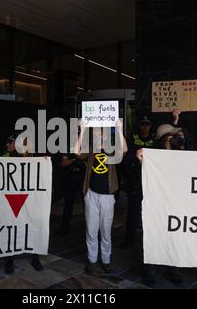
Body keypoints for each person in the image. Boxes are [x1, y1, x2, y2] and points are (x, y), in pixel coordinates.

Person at [136, 122, 186, 287]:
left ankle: (173, 270)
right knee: (153, 237)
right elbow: (144, 165)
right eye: (173, 137)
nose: (178, 140)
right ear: (164, 139)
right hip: (156, 205)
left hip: (176, 205)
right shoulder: (153, 156)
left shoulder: (185, 156)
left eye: (179, 137)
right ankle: (149, 271)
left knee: (174, 238)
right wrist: (142, 157)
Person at [75, 120, 127, 275]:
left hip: (107, 196)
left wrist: (119, 129)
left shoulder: (112, 149)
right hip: (91, 193)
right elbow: (76, 152)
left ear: (106, 134)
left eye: (102, 131)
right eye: (97, 131)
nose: (99, 133)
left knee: (105, 230)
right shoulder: (91, 150)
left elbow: (124, 150)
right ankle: (91, 260)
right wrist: (82, 130)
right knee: (91, 230)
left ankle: (106, 260)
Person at [1, 133, 44, 274]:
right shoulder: (11, 156)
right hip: (16, 198)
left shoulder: (36, 158)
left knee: (33, 227)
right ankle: (10, 259)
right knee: (13, 227)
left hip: (31, 199)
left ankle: (35, 257)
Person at [120, 116, 156, 249]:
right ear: (139, 125)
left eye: (147, 124)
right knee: (132, 213)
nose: (145, 127)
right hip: (135, 181)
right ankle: (128, 241)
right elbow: (126, 159)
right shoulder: (132, 139)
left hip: (150, 182)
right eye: (143, 124)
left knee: (151, 214)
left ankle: (150, 244)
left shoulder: (155, 140)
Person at [56, 151, 86, 237]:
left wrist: (84, 163)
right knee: (68, 204)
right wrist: (74, 161)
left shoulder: (88, 145)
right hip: (71, 178)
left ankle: (90, 229)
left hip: (85, 179)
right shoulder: (70, 145)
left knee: (88, 206)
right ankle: (64, 229)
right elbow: (63, 163)